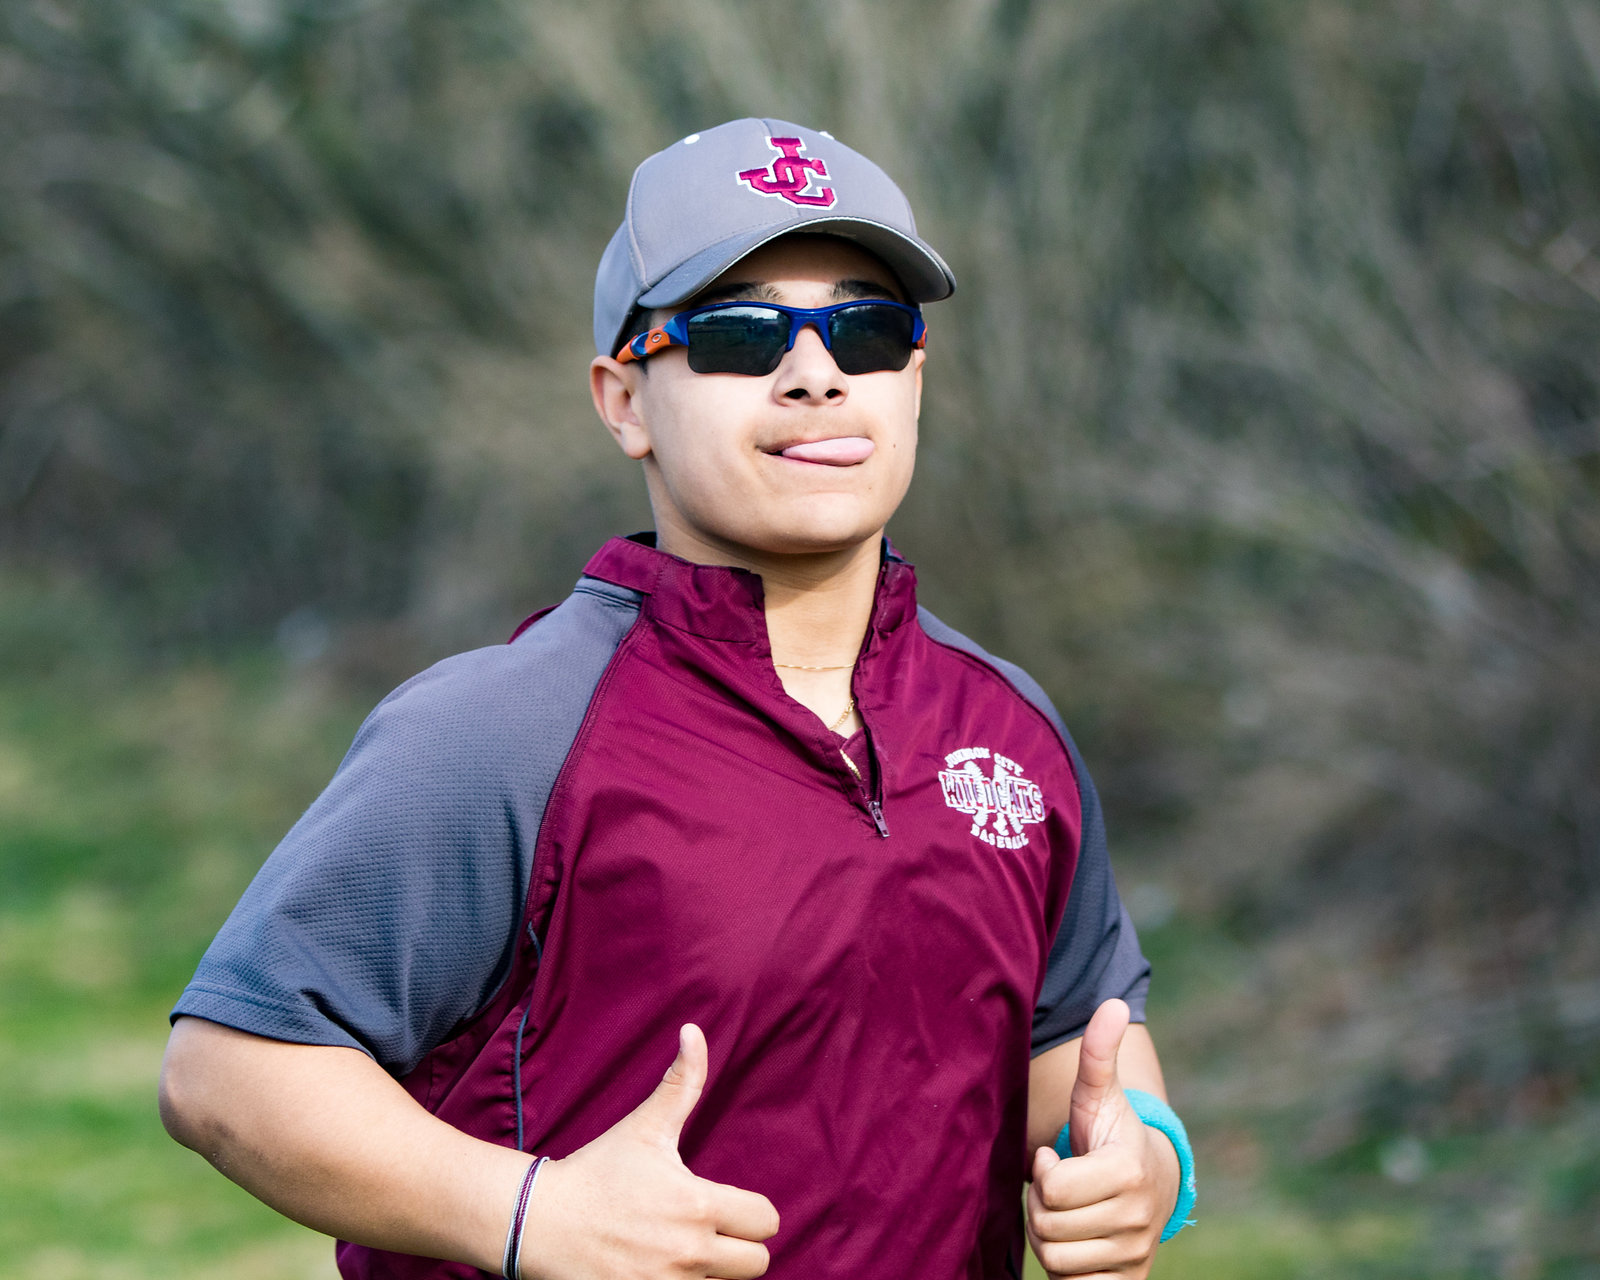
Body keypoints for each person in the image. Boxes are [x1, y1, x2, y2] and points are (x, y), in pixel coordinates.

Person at [159, 117, 1195, 1280]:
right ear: (624, 399)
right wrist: (529, 1211)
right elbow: (229, 1068)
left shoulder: (1007, 730)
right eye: (741, 334)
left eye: (864, 327)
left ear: (914, 377)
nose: (816, 372)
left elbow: (1077, 1054)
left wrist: (1140, 1168)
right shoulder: (503, 730)